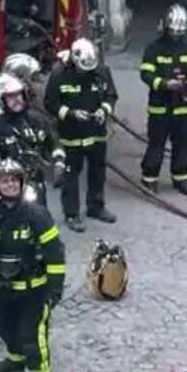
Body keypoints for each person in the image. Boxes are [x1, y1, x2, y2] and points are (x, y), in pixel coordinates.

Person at [0, 158, 66, 372]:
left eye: (14, 180)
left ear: (21, 183)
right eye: (5, 181)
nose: (10, 185)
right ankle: (17, 359)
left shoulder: (36, 214)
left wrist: (54, 290)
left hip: (35, 289)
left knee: (31, 333)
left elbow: (55, 254)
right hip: (5, 288)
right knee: (5, 326)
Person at [43, 37, 119, 230]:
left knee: (97, 172)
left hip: (96, 133)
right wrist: (70, 113)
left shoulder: (101, 72)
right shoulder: (59, 74)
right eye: (83, 69)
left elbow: (111, 95)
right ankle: (71, 214)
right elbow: (50, 104)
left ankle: (96, 206)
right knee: (71, 176)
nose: (86, 73)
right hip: (71, 135)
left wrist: (104, 110)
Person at [140, 4, 187, 195]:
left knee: (183, 145)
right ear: (166, 27)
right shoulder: (154, 49)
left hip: (183, 108)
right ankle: (149, 179)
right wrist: (165, 84)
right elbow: (146, 74)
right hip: (160, 107)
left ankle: (180, 178)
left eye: (179, 33)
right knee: (156, 146)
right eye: (173, 32)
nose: (176, 36)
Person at [0, 72, 66, 204]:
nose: (17, 99)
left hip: (35, 183)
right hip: (8, 188)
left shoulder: (35, 119)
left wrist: (59, 162)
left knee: (41, 219)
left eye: (19, 94)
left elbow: (53, 140)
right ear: (1, 99)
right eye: (10, 96)